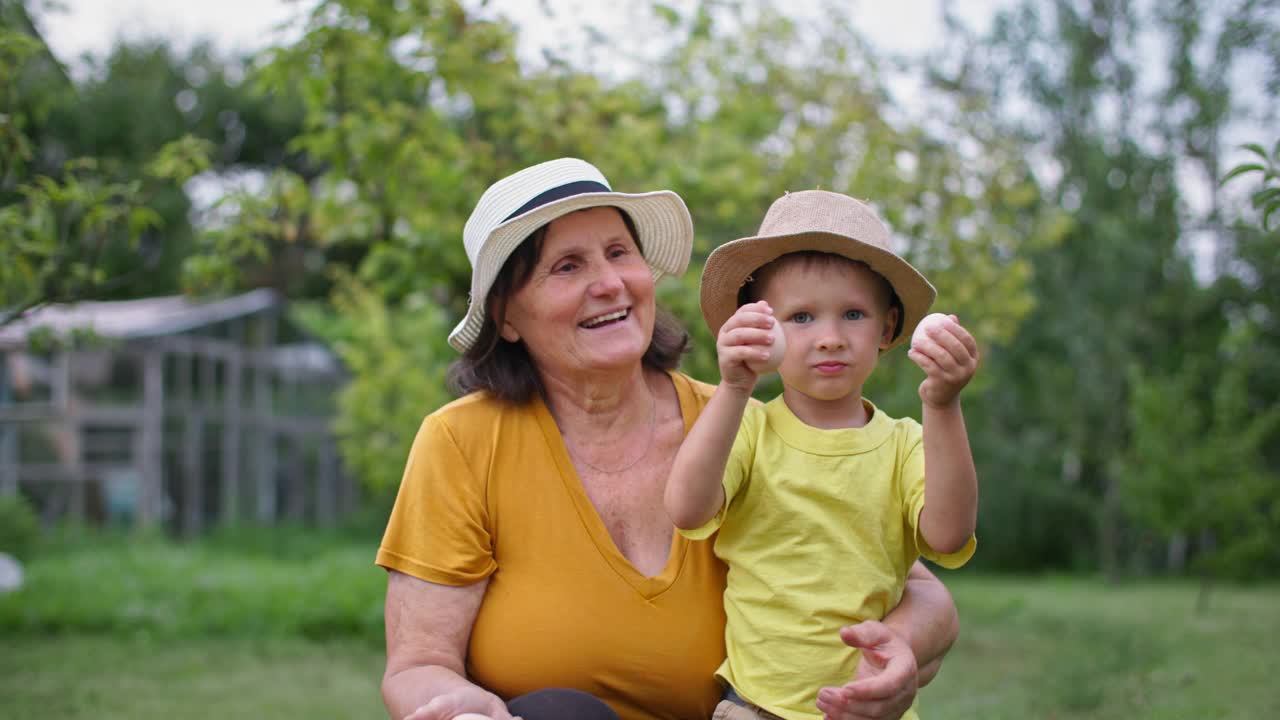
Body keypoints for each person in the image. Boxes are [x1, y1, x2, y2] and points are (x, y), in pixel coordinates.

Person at [376, 159, 961, 720]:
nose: (608, 283)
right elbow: (417, 667)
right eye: (567, 266)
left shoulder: (737, 426)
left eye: (618, 252)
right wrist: (464, 711)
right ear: (506, 316)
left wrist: (901, 646)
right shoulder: (462, 441)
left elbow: (920, 588)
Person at [665, 190, 980, 720]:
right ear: (763, 329)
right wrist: (734, 387)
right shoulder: (748, 427)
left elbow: (947, 536)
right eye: (802, 317)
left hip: (873, 708)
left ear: (886, 328)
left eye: (852, 314)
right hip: (755, 705)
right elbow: (687, 508)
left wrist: (943, 405)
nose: (830, 338)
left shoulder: (906, 443)